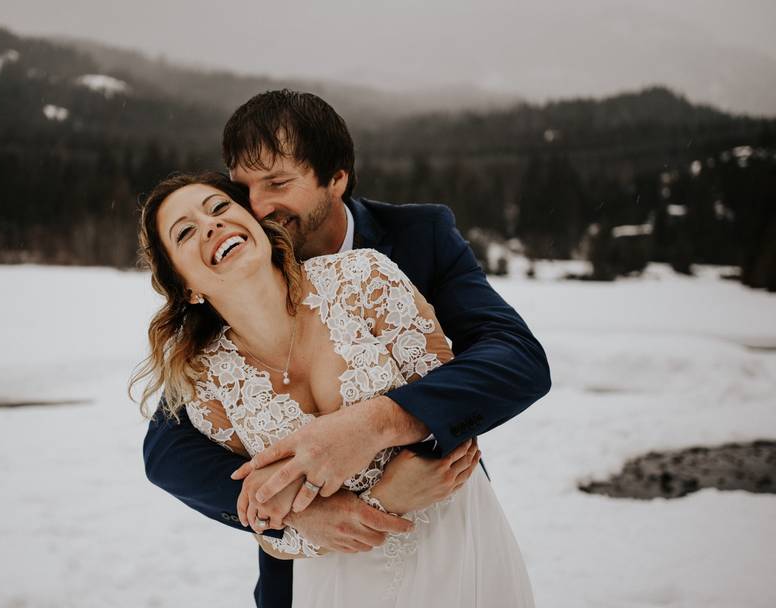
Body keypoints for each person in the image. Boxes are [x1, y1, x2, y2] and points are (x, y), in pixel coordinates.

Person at [140, 90, 551, 607]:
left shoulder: (411, 242)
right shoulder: (214, 350)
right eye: (242, 187)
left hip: (442, 529)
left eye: (278, 183)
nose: (257, 207)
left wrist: (374, 424)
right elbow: (167, 450)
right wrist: (293, 512)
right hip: (316, 568)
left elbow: (515, 359)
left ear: (336, 178)